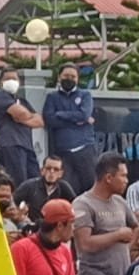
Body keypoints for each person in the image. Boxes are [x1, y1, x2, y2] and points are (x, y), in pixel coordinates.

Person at [45, 63, 98, 193]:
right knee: (65, 189)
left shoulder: (85, 95)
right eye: (66, 76)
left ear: (78, 79)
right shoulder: (52, 97)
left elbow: (84, 115)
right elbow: (50, 119)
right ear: (59, 77)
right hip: (63, 152)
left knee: (91, 187)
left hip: (84, 149)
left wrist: (60, 114)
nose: (69, 79)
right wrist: (78, 120)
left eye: (73, 76)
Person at [0, 67, 43, 184]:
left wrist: (22, 119)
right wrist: (27, 117)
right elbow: (22, 114)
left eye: (14, 79)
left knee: (35, 182)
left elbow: (39, 121)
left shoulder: (21, 101)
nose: (11, 81)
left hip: (27, 145)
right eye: (7, 79)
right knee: (18, 181)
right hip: (10, 144)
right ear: (0, 82)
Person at [13, 154, 76, 221]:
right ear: (42, 171)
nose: (52, 172)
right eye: (48, 168)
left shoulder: (64, 187)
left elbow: (76, 205)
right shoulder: (29, 186)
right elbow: (12, 202)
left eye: (56, 169)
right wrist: (20, 215)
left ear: (61, 174)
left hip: (55, 225)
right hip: (32, 224)